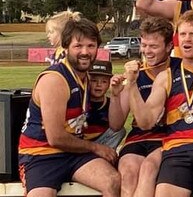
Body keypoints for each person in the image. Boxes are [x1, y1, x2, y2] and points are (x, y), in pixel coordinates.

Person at [121, 11, 193, 197]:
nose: (187, 39)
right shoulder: (166, 77)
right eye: (183, 34)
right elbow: (146, 122)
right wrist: (131, 84)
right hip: (176, 151)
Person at [18, 18, 120, 197]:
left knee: (113, 181)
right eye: (78, 46)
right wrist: (96, 148)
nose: (85, 52)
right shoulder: (54, 80)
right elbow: (55, 137)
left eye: (91, 46)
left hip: (73, 152)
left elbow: (115, 123)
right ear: (66, 47)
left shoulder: (86, 78)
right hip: (41, 153)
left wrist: (120, 93)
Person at [109, 17, 176, 197]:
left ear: (169, 46)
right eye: (144, 45)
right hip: (138, 137)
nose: (147, 51)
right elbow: (116, 124)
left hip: (167, 137)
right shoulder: (134, 73)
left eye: (154, 46)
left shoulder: (179, 69)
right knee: (128, 175)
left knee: (148, 171)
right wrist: (115, 95)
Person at [85, 60, 126, 149]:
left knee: (120, 131)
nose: (98, 85)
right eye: (94, 80)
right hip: (80, 142)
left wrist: (115, 95)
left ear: (109, 83)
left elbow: (116, 127)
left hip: (101, 141)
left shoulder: (110, 102)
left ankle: (104, 155)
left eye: (104, 82)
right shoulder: (80, 100)